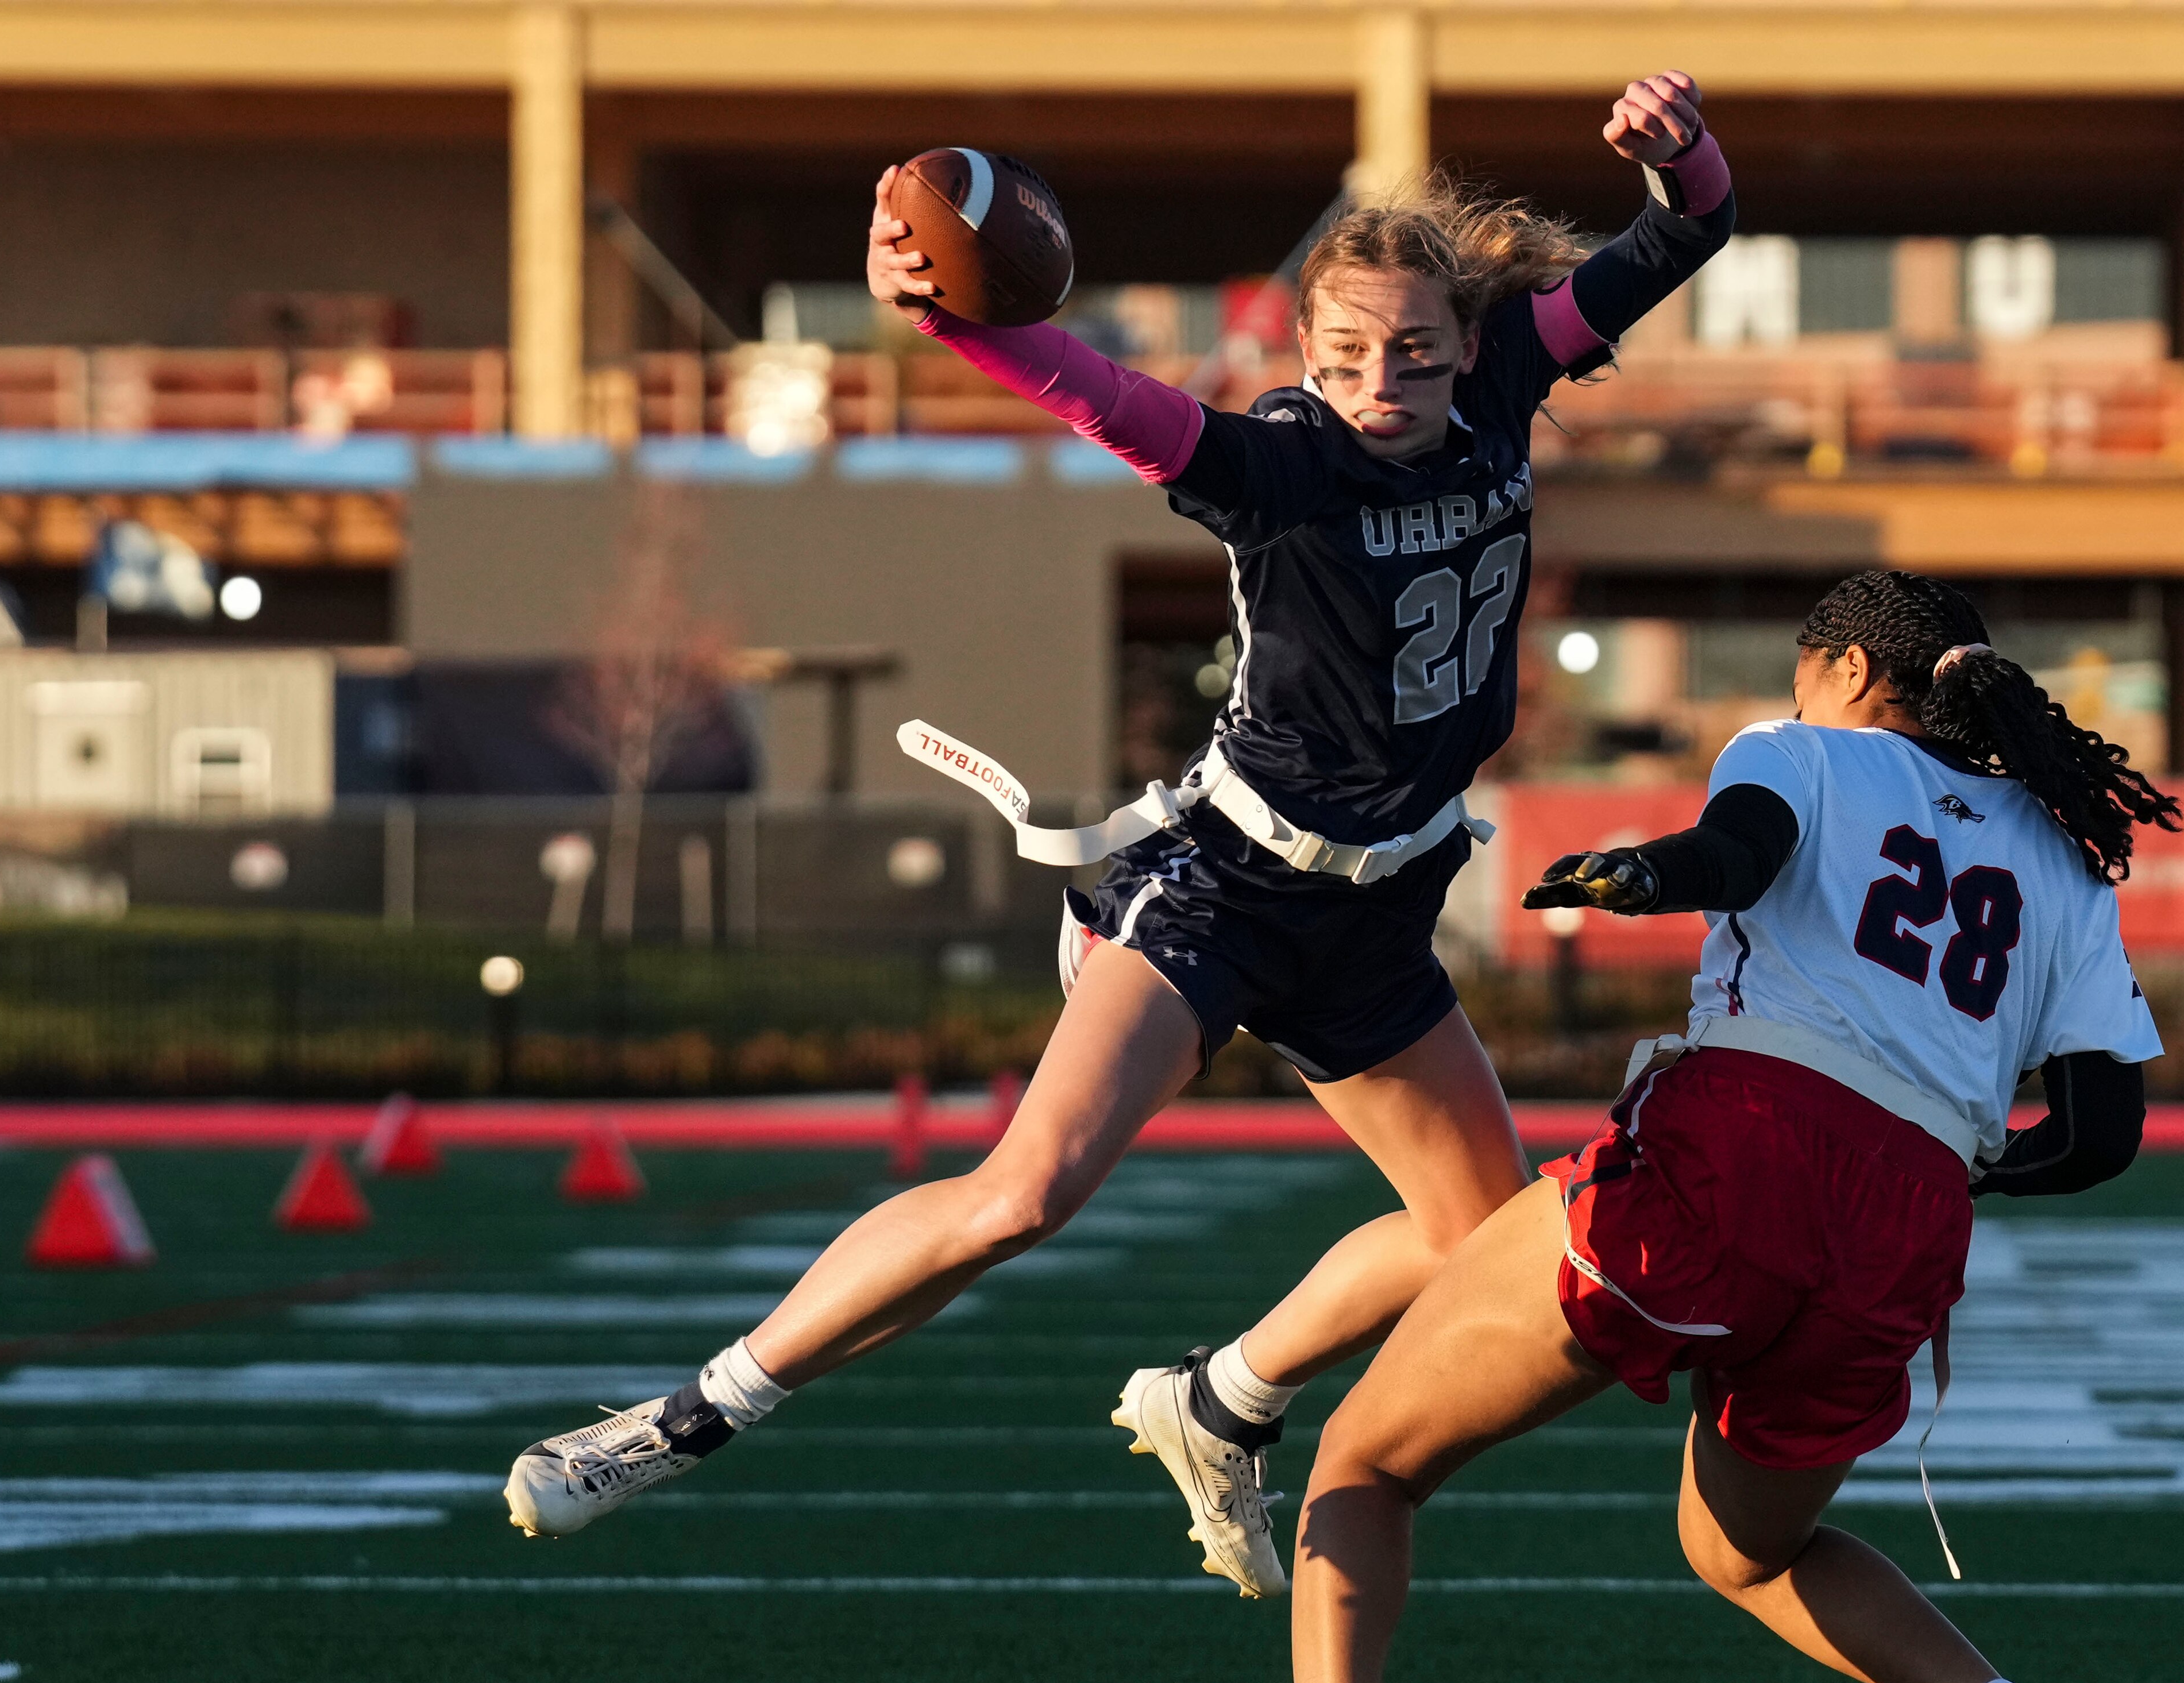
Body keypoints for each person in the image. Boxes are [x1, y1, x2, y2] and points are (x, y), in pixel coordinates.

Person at [500, 76, 1740, 1588]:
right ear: (1305, 356)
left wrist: (1684, 162)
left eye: (1416, 348)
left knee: (1483, 1231)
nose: (1385, 378)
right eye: (1348, 352)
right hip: (1221, 883)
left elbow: (1693, 231)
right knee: (1022, 1195)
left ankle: (1220, 1402)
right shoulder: (1286, 462)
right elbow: (1101, 393)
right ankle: (679, 1419)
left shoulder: (1503, 381)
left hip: (1378, 909)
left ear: (1470, 343)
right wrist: (957, 324)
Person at [1169, 570, 2180, 1683]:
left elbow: (1741, 852)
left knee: (1367, 1460)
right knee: (1743, 1550)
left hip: (1742, 1143)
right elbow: (2100, 1132)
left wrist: (1649, 873)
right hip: (1909, 1214)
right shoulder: (2060, 856)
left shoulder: (1801, 749)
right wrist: (1948, 1176)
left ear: (1853, 676)